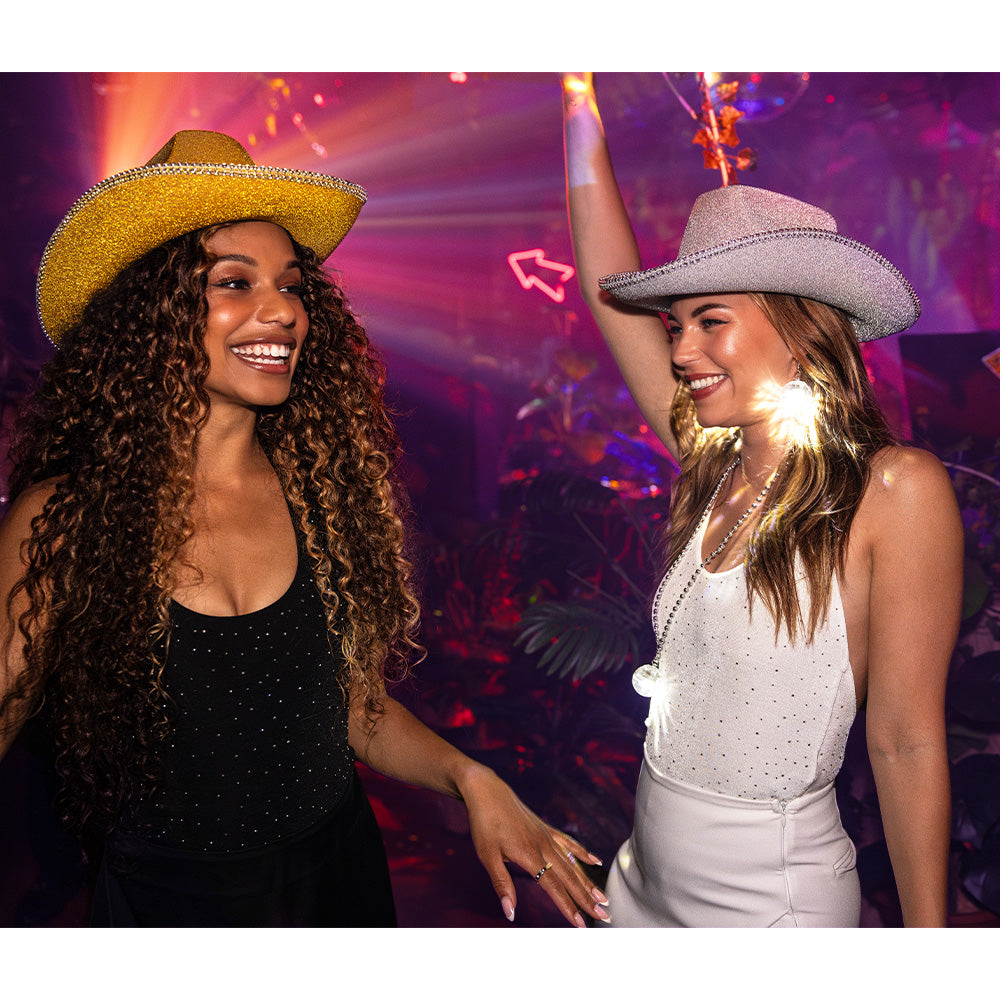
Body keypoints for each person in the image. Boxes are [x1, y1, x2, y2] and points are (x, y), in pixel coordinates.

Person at [0, 128, 610, 927]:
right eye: (234, 282)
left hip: (338, 886)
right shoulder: (66, 520)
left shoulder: (322, 494)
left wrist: (469, 777)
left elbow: (352, 709)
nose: (282, 311)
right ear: (152, 313)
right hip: (167, 909)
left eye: (290, 286)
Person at [561, 73, 963, 927]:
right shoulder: (713, 461)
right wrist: (575, 93)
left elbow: (905, 741)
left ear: (799, 327)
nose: (681, 352)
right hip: (641, 881)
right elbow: (608, 286)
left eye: (710, 320)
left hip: (769, 905)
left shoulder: (894, 489)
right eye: (676, 326)